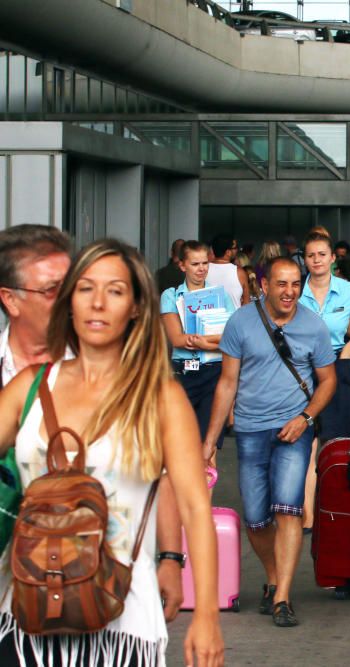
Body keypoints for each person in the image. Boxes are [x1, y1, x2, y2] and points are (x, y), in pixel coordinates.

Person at [0, 239, 225, 666]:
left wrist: (207, 614)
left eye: (115, 291)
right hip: (26, 616)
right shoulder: (28, 388)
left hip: (123, 625)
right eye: (85, 288)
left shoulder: (161, 398)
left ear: (137, 307)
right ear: (69, 301)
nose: (98, 303)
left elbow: (197, 508)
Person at [202, 256, 337, 627]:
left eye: (296, 284)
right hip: (249, 430)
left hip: (295, 429)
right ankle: (273, 575)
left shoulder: (314, 326)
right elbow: (227, 383)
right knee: (256, 519)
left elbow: (328, 380)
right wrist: (210, 441)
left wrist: (306, 417)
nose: (289, 291)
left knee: (288, 509)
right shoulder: (241, 322)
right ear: (265, 286)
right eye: (281, 284)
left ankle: (281, 597)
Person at [298, 232, 350, 530]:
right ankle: (307, 515)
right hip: (301, 368)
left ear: (332, 258)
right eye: (311, 255)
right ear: (305, 260)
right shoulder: (293, 290)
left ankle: (334, 505)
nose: (316, 260)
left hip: (338, 364)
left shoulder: (349, 290)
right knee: (307, 438)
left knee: (335, 439)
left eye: (321, 254)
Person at [160, 240, 239, 460]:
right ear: (183, 265)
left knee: (208, 445)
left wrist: (204, 343)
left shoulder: (221, 295)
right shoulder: (171, 295)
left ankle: (205, 496)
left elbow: (233, 336)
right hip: (183, 373)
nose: (201, 268)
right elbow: (176, 338)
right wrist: (215, 341)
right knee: (179, 443)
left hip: (215, 371)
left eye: (205, 263)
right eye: (195, 264)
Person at [207, 234, 249, 307]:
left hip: (208, 318)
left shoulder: (204, 270)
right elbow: (246, 302)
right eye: (236, 247)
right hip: (235, 318)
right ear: (228, 252)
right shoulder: (239, 272)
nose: (237, 250)